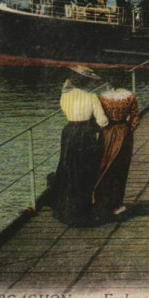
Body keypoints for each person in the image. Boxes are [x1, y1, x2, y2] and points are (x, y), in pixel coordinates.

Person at [51, 66, 109, 227]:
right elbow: (102, 121)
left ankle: (68, 208)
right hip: (85, 134)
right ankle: (83, 210)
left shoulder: (65, 97)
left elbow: (65, 111)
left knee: (68, 168)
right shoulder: (91, 97)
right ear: (87, 82)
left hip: (69, 133)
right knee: (86, 170)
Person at [93, 82, 140, 219]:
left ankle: (102, 202)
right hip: (123, 133)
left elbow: (98, 118)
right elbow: (135, 118)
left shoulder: (102, 97)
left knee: (104, 167)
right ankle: (117, 203)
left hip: (107, 132)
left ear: (109, 85)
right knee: (121, 168)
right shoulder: (130, 97)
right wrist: (129, 129)